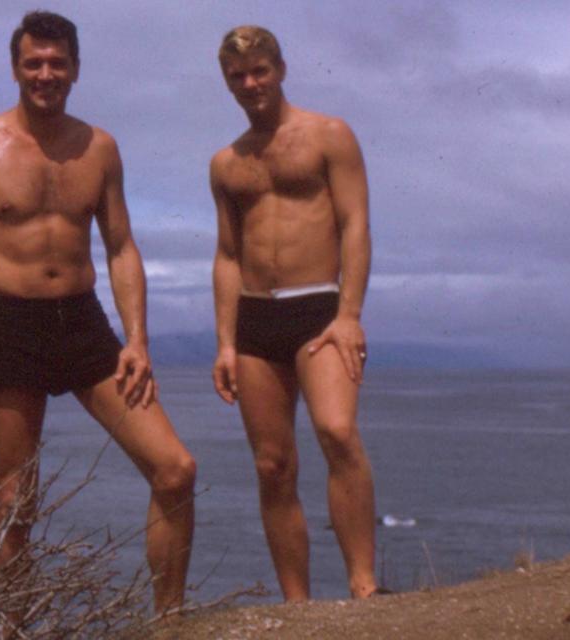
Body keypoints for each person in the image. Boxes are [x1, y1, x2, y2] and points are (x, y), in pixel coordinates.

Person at [0, 11, 195, 614]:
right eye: (34, 63)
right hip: (12, 326)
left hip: (83, 323)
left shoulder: (98, 148)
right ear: (16, 67)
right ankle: (10, 632)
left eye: (57, 63)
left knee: (175, 468)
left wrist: (138, 341)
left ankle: (171, 623)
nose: (45, 74)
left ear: (75, 68)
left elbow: (121, 246)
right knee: (15, 506)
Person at [210, 25, 381, 600]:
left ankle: (363, 587)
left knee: (336, 432)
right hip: (254, 319)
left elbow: (355, 224)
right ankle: (297, 607)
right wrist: (226, 343)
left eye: (260, 70)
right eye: (238, 75)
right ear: (227, 81)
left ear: (281, 69)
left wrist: (350, 313)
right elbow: (228, 255)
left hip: (319, 309)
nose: (250, 82)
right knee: (272, 466)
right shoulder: (226, 164)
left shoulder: (329, 136)